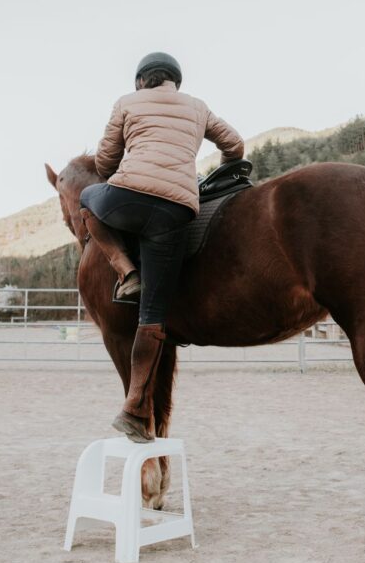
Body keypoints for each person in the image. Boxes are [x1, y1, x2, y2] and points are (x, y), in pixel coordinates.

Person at [79, 52, 243, 442]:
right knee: (153, 316)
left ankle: (126, 271)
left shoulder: (127, 102)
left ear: (141, 81)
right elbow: (235, 146)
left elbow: (104, 161)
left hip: (129, 199)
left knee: (87, 198)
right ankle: (135, 406)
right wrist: (216, 165)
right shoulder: (198, 107)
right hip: (176, 210)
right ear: (176, 82)